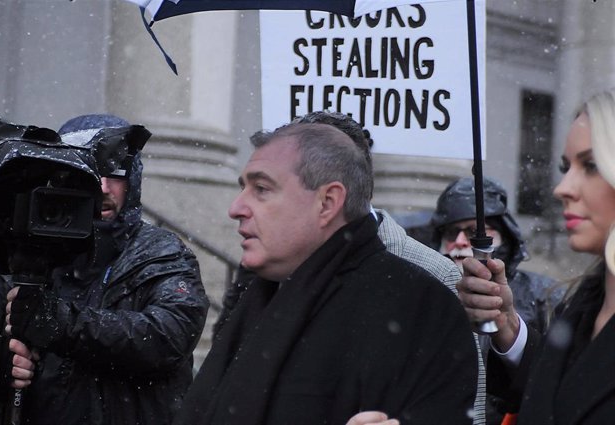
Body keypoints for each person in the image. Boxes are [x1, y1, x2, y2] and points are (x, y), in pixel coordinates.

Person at [175, 122, 478, 424]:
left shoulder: (422, 306)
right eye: (243, 188)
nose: (236, 208)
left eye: (262, 189)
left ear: (328, 202)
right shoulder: (260, 294)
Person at [0, 114, 209, 424]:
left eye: (114, 172)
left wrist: (62, 324)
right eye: (82, 171)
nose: (101, 186)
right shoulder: (20, 254)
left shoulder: (160, 253)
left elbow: (167, 337)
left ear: (133, 180)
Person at [458, 88, 615, 424]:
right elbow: (552, 401)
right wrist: (506, 326)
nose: (562, 188)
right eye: (565, 167)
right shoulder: (579, 307)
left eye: (589, 165)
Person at [431, 176, 563, 423]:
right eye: (451, 232)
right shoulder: (426, 298)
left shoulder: (545, 294)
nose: (459, 242)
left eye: (473, 232)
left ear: (503, 236)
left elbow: (555, 379)